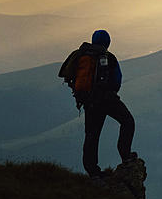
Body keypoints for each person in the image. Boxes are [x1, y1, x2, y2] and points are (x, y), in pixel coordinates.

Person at [58, 30, 136, 178]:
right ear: (107, 42)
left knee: (92, 135)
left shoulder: (80, 55)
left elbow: (67, 75)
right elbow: (117, 80)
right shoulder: (108, 57)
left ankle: (92, 171)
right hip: (107, 99)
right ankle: (125, 155)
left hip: (89, 101)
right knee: (128, 121)